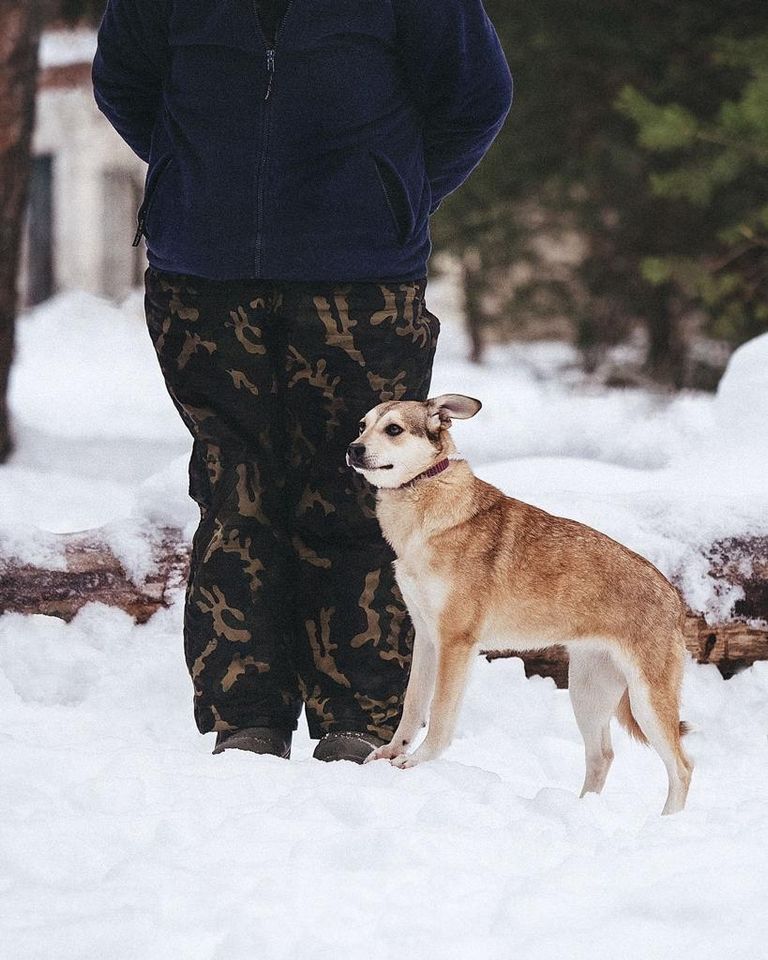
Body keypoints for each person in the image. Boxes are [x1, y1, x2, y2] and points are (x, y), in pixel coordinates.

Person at [92, 0, 513, 762]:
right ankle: (246, 716)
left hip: (361, 280)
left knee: (360, 489)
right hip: (204, 280)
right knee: (234, 487)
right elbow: (124, 82)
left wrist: (397, 194)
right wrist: (196, 176)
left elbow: (477, 97)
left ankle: (358, 717)